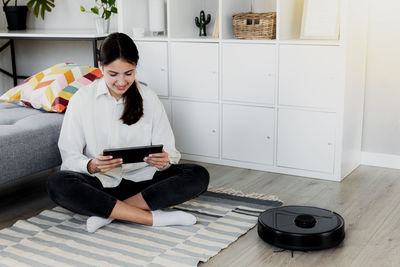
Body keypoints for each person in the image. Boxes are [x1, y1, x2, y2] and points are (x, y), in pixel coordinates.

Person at [47, 32, 210, 233]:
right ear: (101, 66)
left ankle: (111, 212)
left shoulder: (148, 97)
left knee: (197, 175)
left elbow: (170, 151)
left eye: (129, 73)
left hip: (144, 181)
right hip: (102, 182)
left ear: (135, 68)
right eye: (113, 74)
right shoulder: (82, 99)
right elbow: (69, 155)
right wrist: (91, 165)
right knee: (57, 183)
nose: (122, 82)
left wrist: (164, 161)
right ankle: (151, 217)